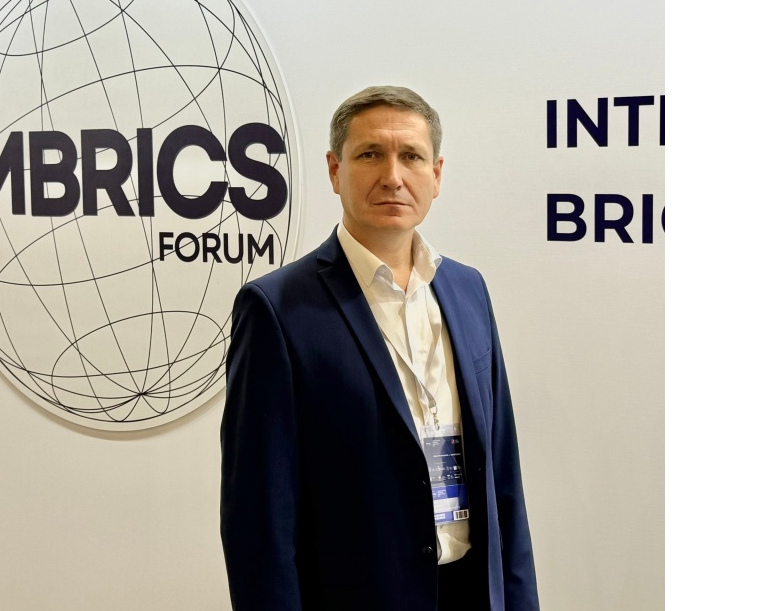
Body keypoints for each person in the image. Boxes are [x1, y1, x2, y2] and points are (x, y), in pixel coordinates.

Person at [220, 86, 539, 611]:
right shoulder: (278, 310)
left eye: (411, 156)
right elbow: (259, 518)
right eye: (370, 154)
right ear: (334, 170)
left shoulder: (468, 290)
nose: (393, 176)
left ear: (436, 174)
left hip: (472, 591)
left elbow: (503, 476)